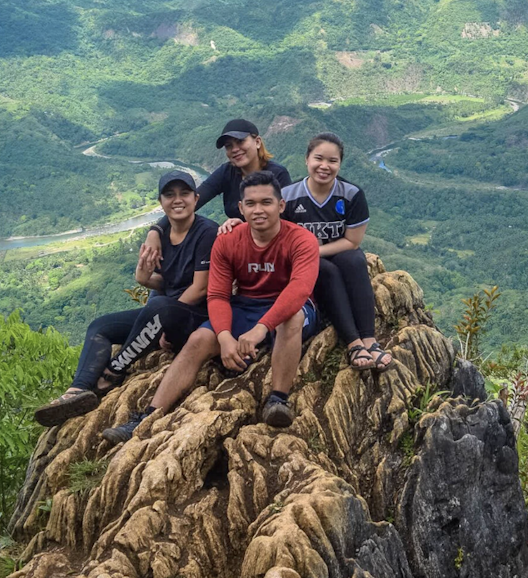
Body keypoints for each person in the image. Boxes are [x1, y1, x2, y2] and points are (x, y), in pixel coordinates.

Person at [102, 170, 320, 443]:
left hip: (288, 307)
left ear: (281, 205)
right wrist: (224, 337)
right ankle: (148, 416)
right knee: (199, 339)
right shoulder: (228, 241)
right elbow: (217, 295)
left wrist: (262, 329)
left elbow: (299, 290)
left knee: (292, 319)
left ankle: (278, 400)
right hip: (246, 305)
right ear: (240, 208)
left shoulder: (301, 240)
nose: (258, 210)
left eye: (266, 202)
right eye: (250, 204)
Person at [34, 170, 218, 427]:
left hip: (195, 317)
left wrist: (168, 319)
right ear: (161, 202)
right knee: (100, 327)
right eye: (169, 195)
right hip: (164, 314)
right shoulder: (162, 237)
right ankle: (78, 390)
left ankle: (112, 373)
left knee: (159, 306)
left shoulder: (207, 232)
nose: (178, 200)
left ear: (196, 199)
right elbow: (169, 282)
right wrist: (144, 279)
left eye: (184, 194)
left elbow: (200, 288)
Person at [281, 133, 391, 372]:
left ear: (339, 164)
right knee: (326, 270)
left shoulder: (351, 194)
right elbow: (271, 230)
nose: (324, 166)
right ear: (306, 160)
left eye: (332, 161)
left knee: (354, 260)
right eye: (318, 158)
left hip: (336, 250)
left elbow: (352, 241)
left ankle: (369, 339)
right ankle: (353, 342)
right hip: (303, 261)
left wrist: (315, 250)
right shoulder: (287, 196)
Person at [139, 119, 291, 265]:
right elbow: (192, 202)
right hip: (239, 248)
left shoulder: (277, 174)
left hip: (271, 248)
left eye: (240, 142)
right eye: (229, 146)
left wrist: (244, 226)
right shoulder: (227, 172)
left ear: (257, 142)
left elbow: (284, 219)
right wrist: (156, 230)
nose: (235, 149)